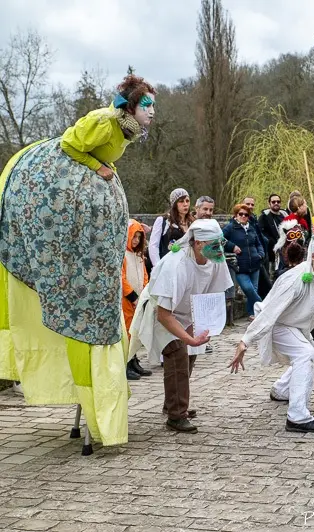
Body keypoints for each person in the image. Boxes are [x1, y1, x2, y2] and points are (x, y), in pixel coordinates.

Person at [0, 74, 156, 448]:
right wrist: (94, 165)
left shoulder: (127, 129)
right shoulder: (104, 120)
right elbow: (71, 142)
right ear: (132, 105)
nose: (152, 113)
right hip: (56, 170)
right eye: (148, 105)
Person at [228, 234, 314, 433]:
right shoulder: (295, 279)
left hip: (297, 327)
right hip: (279, 325)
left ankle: (281, 390)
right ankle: (297, 417)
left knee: (311, 356)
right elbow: (269, 312)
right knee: (305, 355)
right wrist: (245, 341)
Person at [129, 220, 233, 433]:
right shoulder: (176, 265)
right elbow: (164, 315)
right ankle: (176, 415)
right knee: (177, 352)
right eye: (215, 245)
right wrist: (188, 338)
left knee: (191, 355)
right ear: (198, 244)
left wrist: (205, 328)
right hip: (161, 312)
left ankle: (173, 402)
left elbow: (212, 297)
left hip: (189, 313)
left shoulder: (216, 260)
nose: (220, 250)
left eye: (221, 243)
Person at [223, 204, 265, 320]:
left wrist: (260, 254)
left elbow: (258, 243)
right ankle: (264, 308)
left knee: (254, 289)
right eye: (240, 214)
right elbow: (220, 239)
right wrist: (232, 247)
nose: (243, 216)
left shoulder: (251, 228)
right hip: (240, 265)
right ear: (236, 215)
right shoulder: (230, 228)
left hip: (255, 264)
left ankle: (253, 314)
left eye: (246, 215)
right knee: (248, 288)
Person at [123, 220, 152, 380]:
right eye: (134, 236)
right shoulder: (123, 255)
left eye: (139, 237)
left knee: (137, 331)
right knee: (128, 331)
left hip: (139, 298)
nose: (136, 240)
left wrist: (145, 292)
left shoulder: (139, 256)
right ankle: (126, 362)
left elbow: (145, 275)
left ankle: (134, 359)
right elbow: (121, 278)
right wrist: (132, 296)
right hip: (127, 300)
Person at [151, 189, 195, 266]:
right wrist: (157, 266)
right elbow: (153, 246)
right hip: (168, 266)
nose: (185, 204)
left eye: (187, 201)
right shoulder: (163, 221)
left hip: (188, 266)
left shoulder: (193, 222)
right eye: (181, 201)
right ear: (174, 204)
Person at [258, 193, 288, 274]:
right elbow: (261, 234)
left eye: (278, 202)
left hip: (285, 252)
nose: (276, 203)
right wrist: (274, 244)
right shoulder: (264, 217)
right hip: (271, 254)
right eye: (273, 202)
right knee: (272, 275)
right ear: (269, 203)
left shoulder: (285, 216)